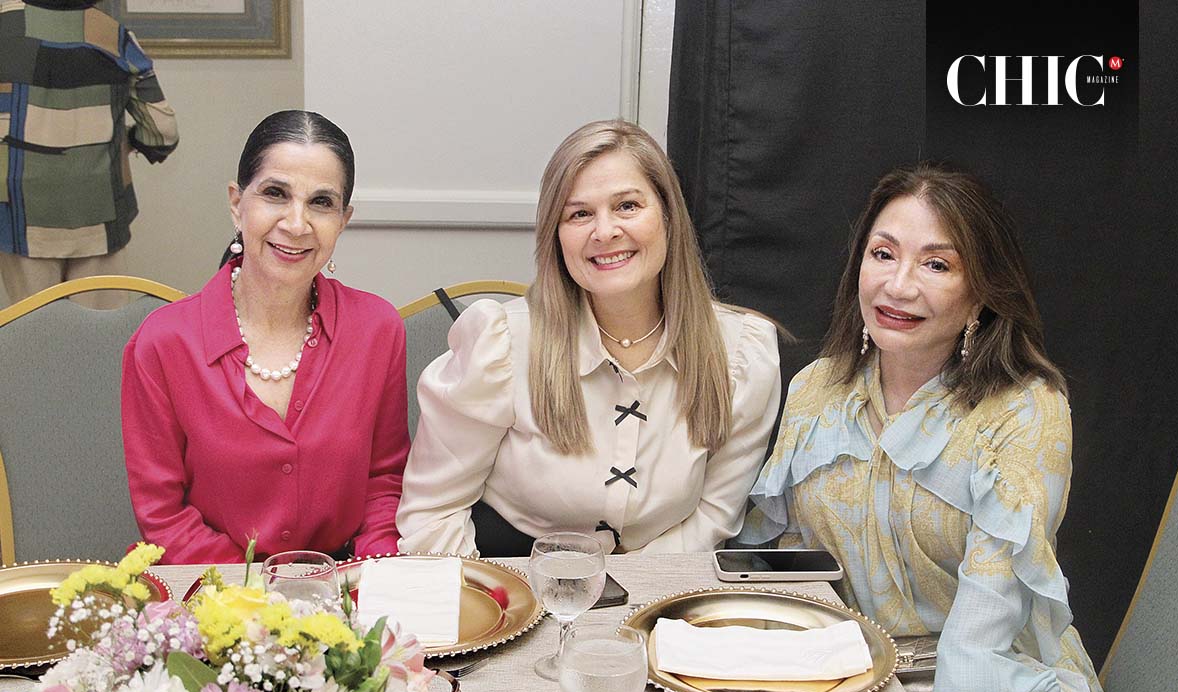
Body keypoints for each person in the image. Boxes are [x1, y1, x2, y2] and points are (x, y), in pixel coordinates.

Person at [739, 164, 1104, 692]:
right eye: (883, 254)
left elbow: (991, 606)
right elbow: (789, 558)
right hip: (848, 670)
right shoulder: (816, 389)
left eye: (936, 265)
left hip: (994, 686)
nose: (899, 285)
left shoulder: (1026, 409)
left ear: (982, 291)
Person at [397, 119, 780, 556]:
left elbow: (714, 516)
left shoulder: (743, 353)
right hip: (511, 585)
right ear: (556, 236)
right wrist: (499, 608)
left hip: (659, 598)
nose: (605, 231)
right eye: (579, 214)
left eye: (627, 206)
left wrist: (629, 609)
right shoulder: (500, 344)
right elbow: (432, 513)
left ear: (669, 216)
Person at [121, 110, 408, 564]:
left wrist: (368, 578)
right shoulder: (162, 343)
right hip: (215, 596)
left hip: (348, 590)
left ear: (344, 219)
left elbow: (385, 480)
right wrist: (264, 596)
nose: (297, 224)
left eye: (321, 202)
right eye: (276, 194)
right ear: (237, 203)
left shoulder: (377, 329)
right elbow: (163, 516)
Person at [0, 0, 178, 309]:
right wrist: (130, 141)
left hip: (20, 210)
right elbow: (163, 132)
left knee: (32, 336)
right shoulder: (113, 35)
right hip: (99, 209)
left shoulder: (5, 25)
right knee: (99, 340)